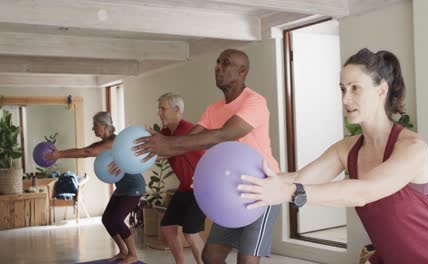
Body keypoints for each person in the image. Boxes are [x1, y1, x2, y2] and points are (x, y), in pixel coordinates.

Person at [238, 48, 428, 263]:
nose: (346, 99)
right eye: (342, 89)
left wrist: (288, 192)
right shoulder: (346, 149)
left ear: (382, 90)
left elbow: (362, 192)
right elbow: (300, 178)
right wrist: (254, 183)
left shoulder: (412, 148)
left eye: (355, 88)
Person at [131, 49, 281, 264]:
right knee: (210, 256)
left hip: (264, 188)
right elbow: (190, 142)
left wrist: (168, 144)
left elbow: (223, 134)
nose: (218, 67)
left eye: (225, 63)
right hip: (232, 190)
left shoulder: (255, 101)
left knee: (247, 260)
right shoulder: (213, 109)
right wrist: (154, 149)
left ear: (242, 71)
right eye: (217, 62)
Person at [44, 111, 145, 264]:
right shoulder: (106, 141)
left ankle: (132, 254)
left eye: (95, 125)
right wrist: (60, 153)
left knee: (116, 220)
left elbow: (87, 152)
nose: (93, 129)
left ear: (105, 126)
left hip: (133, 187)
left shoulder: (113, 142)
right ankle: (123, 251)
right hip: (122, 188)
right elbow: (87, 149)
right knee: (107, 219)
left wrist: (59, 155)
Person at [157, 92, 206, 264]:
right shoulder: (165, 133)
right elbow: (155, 152)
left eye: (163, 109)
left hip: (202, 187)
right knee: (167, 227)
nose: (159, 113)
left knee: (191, 233)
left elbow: (164, 151)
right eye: (159, 109)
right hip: (185, 187)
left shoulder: (187, 131)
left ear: (177, 109)